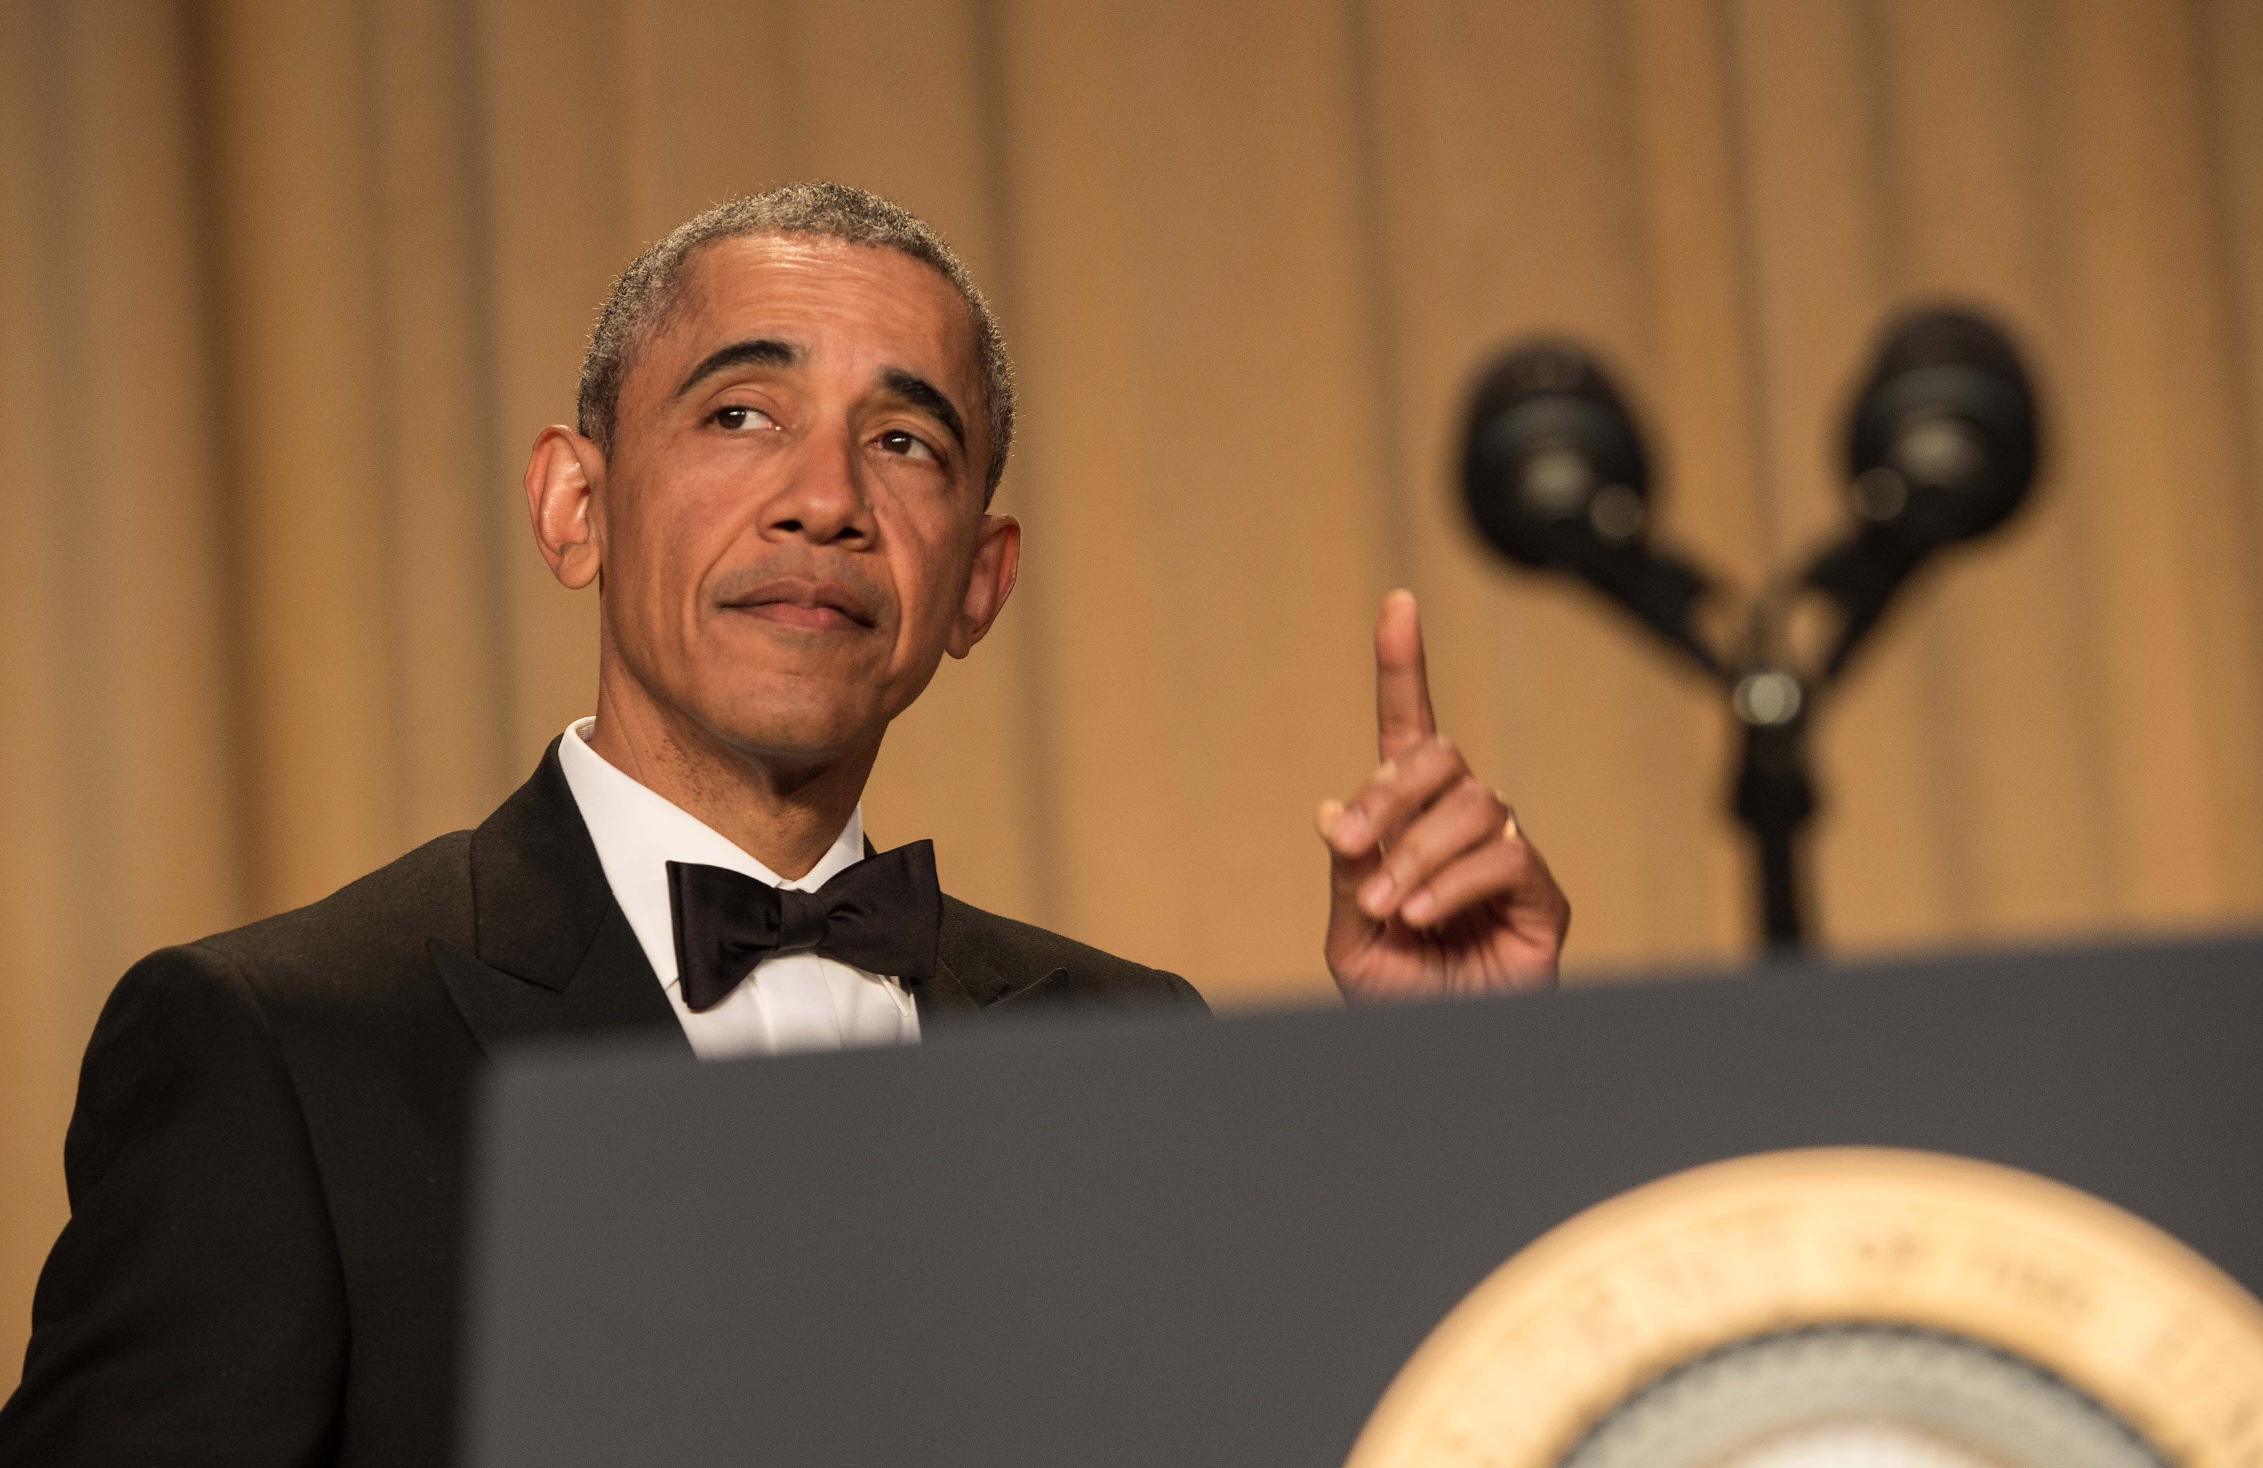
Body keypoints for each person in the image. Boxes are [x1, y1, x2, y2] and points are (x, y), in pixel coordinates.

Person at [0, 182, 1567, 1465]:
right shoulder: (280, 1047)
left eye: (904, 443)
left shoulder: (1123, 1051)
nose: (826, 498)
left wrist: (1447, 1087)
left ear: (980, 583)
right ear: (576, 507)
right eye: (742, 414)